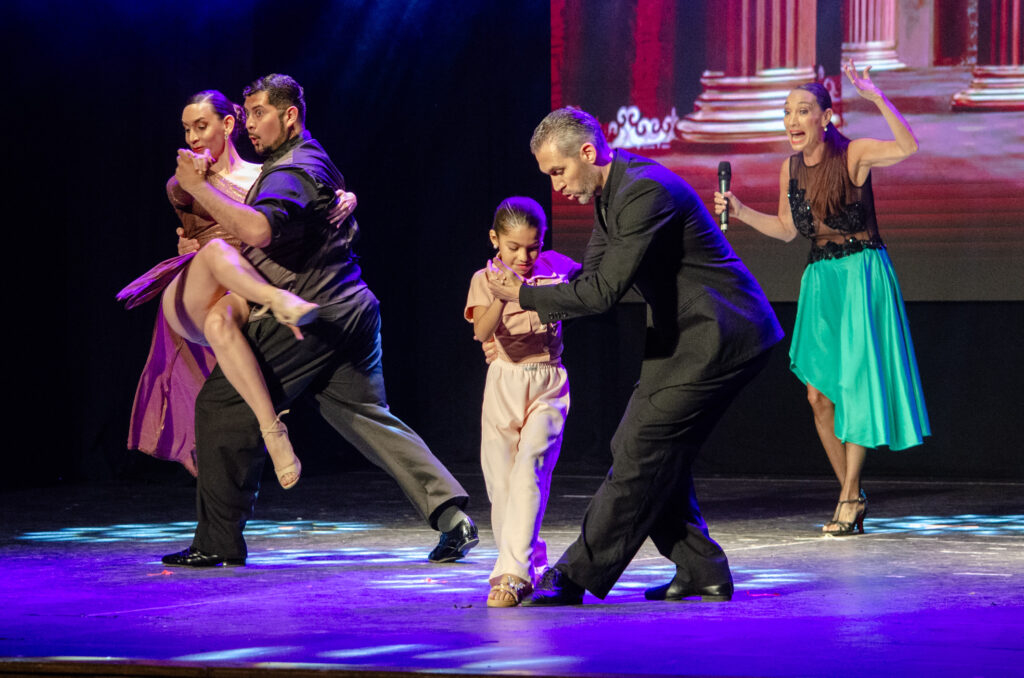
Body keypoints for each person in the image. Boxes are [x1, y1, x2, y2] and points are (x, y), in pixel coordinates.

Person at [159, 73, 476, 568]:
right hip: (353, 308)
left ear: (290, 115)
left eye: (261, 113)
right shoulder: (309, 160)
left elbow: (260, 230)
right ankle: (452, 515)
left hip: (312, 312)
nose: (251, 125)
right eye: (248, 115)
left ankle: (217, 541)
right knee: (365, 415)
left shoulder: (291, 167)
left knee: (221, 405)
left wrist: (198, 186)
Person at [488, 107, 784, 606]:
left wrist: (525, 296)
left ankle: (574, 575)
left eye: (557, 172)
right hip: (684, 337)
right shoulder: (612, 196)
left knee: (643, 448)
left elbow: (603, 292)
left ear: (587, 152)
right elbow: (591, 276)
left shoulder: (644, 191)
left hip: (720, 333)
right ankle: (702, 570)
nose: (555, 186)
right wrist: (540, 289)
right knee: (638, 446)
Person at [714, 61, 930, 535]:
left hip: (861, 275)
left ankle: (849, 499)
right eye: (787, 112)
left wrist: (874, 95)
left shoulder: (853, 155)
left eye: (804, 110)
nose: (792, 120)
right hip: (820, 280)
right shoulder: (789, 169)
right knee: (818, 396)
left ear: (826, 118)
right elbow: (789, 231)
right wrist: (741, 210)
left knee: (854, 387)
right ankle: (850, 494)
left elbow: (908, 146)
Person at [119, 90, 355, 488]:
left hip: (239, 289)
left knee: (219, 324)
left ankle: (273, 432)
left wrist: (348, 198)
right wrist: (194, 191)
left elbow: (298, 202)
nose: (192, 137)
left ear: (227, 126)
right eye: (187, 129)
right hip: (192, 287)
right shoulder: (182, 182)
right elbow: (193, 213)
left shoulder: (264, 176)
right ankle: (280, 301)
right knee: (212, 250)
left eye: (201, 126)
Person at [465, 197, 580, 607]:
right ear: (496, 239)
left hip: (547, 379)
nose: (524, 256)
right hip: (504, 382)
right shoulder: (485, 277)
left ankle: (510, 574)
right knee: (501, 485)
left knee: (530, 468)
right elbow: (481, 333)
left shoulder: (558, 268)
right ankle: (528, 563)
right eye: (514, 247)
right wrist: (501, 295)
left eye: (533, 246)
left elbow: (592, 290)